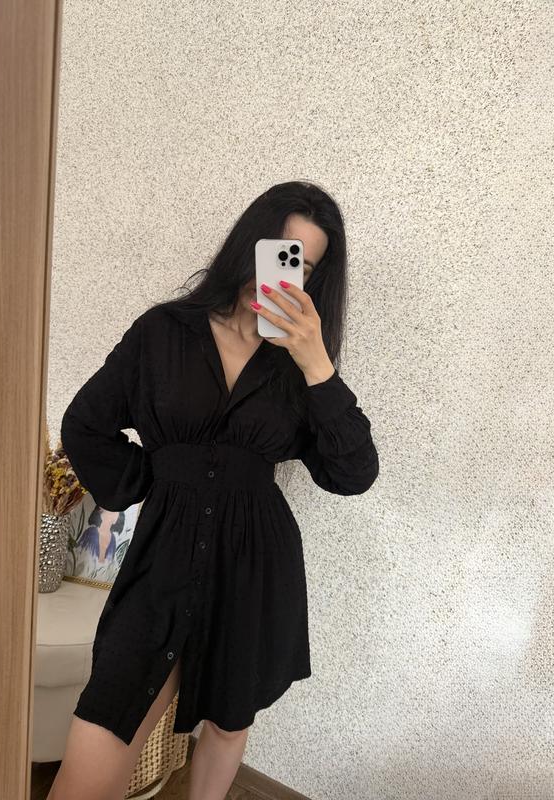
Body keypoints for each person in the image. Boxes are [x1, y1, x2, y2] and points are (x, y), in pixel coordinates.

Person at [48, 181, 379, 800]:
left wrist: (317, 364)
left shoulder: (299, 369)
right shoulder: (164, 332)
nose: (280, 270)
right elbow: (85, 424)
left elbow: (354, 472)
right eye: (276, 248)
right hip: (161, 561)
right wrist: (153, 480)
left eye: (301, 265)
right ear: (248, 242)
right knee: (102, 732)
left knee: (228, 724)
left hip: (255, 566)